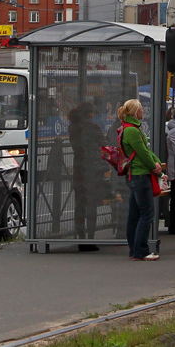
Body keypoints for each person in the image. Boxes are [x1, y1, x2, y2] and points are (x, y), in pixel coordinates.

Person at [118, 99, 163, 260]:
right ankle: (141, 250)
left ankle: (134, 250)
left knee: (134, 215)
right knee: (146, 214)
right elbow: (144, 152)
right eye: (141, 108)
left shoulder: (129, 128)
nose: (144, 111)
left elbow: (144, 150)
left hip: (135, 175)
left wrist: (155, 162)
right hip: (140, 175)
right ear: (136, 112)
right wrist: (155, 167)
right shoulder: (133, 131)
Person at [67, 102, 108, 250]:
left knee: (80, 204)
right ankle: (90, 239)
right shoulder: (93, 128)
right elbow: (105, 144)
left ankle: (80, 238)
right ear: (90, 114)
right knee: (91, 205)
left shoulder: (72, 127)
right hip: (91, 169)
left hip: (78, 168)